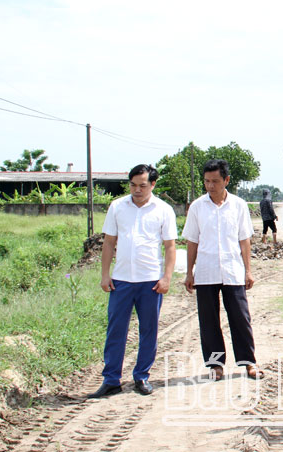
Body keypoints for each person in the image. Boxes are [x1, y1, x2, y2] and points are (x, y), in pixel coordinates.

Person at [89, 164, 177, 398]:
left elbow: (170, 246)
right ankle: (111, 380)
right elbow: (108, 242)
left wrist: (167, 277)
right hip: (121, 280)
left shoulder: (164, 210)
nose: (137, 190)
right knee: (116, 330)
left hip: (150, 281)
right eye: (133, 185)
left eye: (142, 186)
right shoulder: (118, 207)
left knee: (149, 330)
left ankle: (141, 376)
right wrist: (105, 274)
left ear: (153, 185)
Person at [182, 159, 261, 380]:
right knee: (209, 321)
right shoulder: (197, 207)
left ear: (226, 180)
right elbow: (192, 241)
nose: (210, 186)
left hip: (233, 270)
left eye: (215, 181)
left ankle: (249, 363)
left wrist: (248, 270)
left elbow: (244, 240)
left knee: (240, 318)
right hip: (206, 271)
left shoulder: (238, 205)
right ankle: (216, 366)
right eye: (207, 181)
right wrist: (190, 272)